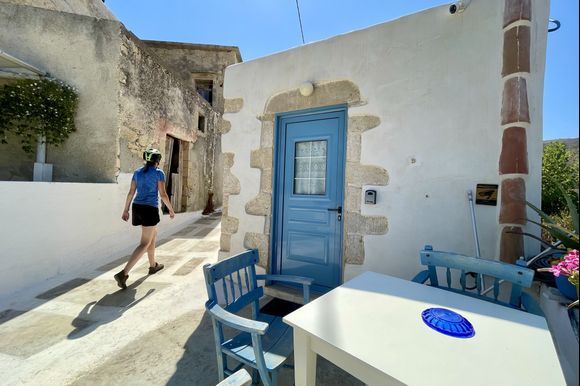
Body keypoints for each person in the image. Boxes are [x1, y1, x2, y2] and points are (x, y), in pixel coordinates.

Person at [114, 147, 175, 289]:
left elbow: (131, 192)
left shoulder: (137, 172)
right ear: (157, 161)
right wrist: (171, 210)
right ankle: (123, 273)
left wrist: (125, 210)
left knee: (153, 235)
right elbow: (163, 194)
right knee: (144, 242)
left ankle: (153, 265)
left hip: (137, 207)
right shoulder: (159, 173)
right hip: (149, 209)